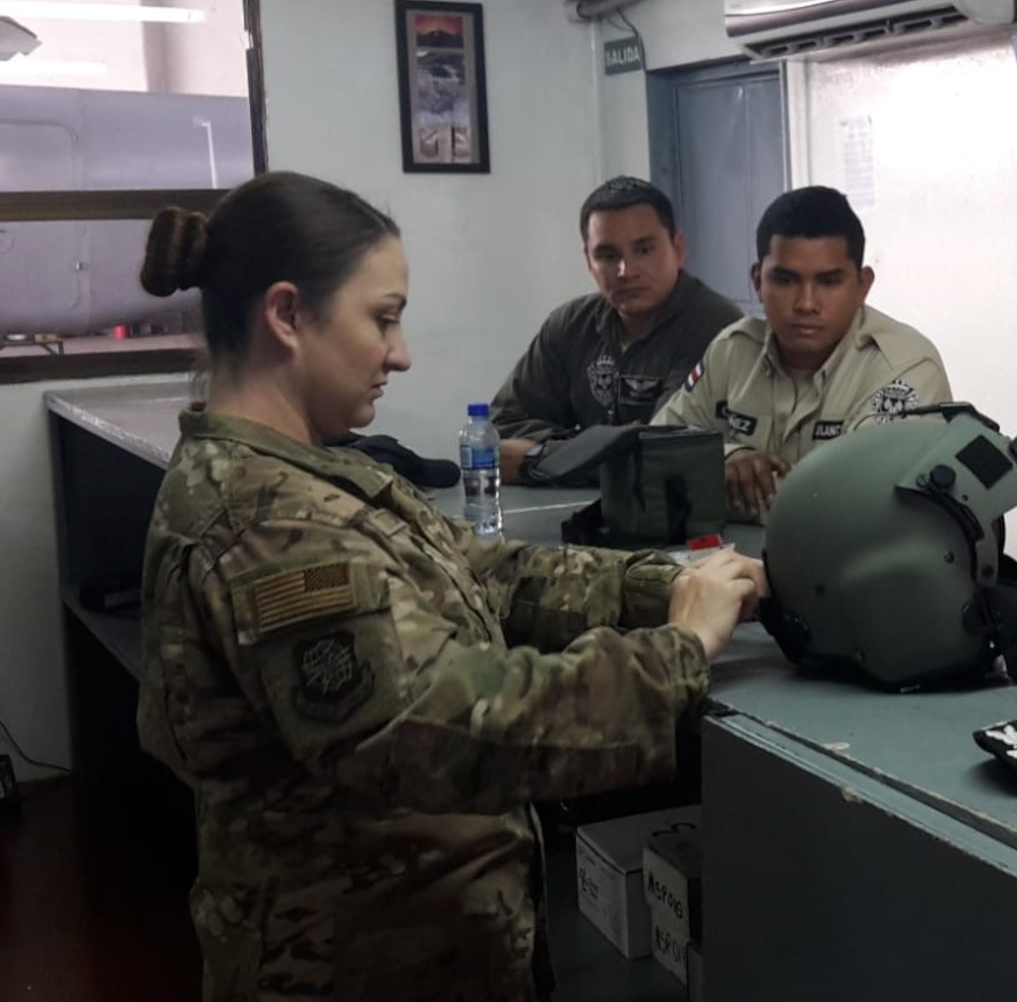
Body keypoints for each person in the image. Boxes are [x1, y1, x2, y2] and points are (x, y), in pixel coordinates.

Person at [133, 171, 766, 999]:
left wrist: (672, 583)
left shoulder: (310, 472)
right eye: (382, 318)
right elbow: (442, 726)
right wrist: (677, 650)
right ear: (287, 315)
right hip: (358, 966)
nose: (401, 352)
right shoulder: (267, 522)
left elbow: (484, 571)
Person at [652, 185, 951, 521]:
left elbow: (864, 506)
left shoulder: (902, 365)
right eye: (785, 280)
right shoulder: (732, 351)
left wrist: (712, 487)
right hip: (732, 564)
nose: (806, 304)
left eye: (829, 281)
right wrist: (726, 459)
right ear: (757, 281)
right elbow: (655, 452)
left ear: (862, 285)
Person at [490, 176, 742, 484]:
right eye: (607, 256)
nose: (626, 271)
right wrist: (581, 451)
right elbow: (499, 428)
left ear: (678, 249)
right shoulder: (570, 323)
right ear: (588, 260)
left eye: (644, 250)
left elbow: (665, 450)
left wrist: (538, 458)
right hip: (569, 509)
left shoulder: (716, 326)